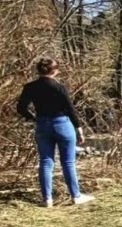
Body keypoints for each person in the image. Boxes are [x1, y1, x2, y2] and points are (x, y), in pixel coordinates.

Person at [16, 58, 94, 207]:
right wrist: (79, 129)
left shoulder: (30, 87)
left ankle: (47, 199)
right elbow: (70, 109)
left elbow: (21, 108)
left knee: (46, 162)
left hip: (42, 124)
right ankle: (76, 196)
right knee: (68, 162)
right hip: (62, 123)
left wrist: (32, 118)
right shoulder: (59, 87)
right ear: (55, 71)